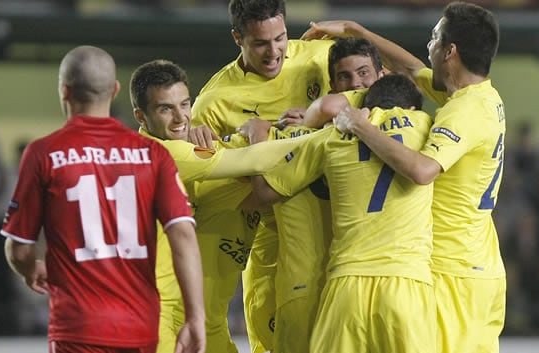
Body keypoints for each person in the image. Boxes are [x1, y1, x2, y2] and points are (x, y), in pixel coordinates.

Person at [312, 2, 507, 352]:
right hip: (479, 263)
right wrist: (359, 32)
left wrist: (359, 125)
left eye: (434, 38)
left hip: (452, 271)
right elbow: (411, 67)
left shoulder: (462, 112)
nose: (427, 46)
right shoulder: (479, 97)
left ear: (450, 52)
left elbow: (422, 170)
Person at [0, 46, 205, 353]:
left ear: (65, 91)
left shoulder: (44, 153)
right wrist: (195, 317)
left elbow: (18, 248)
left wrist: (30, 268)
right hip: (140, 328)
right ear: (115, 90)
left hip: (77, 330)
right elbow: (184, 235)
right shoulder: (153, 155)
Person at [129, 59, 315, 353]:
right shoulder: (168, 156)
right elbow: (256, 166)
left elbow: (256, 188)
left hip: (208, 322)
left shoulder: (192, 158)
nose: (181, 118)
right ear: (141, 116)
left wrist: (266, 132)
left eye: (184, 104)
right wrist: (335, 132)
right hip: (169, 323)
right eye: (165, 108)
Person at [244, 74, 435, 353]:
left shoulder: (332, 136)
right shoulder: (425, 125)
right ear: (412, 109)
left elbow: (263, 193)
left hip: (346, 286)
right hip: (406, 282)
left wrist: (258, 132)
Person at [190, 1, 334, 351]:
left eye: (280, 38)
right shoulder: (213, 102)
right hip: (267, 233)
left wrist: (357, 32)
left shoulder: (320, 56)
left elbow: (378, 87)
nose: (274, 52)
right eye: (260, 43)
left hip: (333, 223)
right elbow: (202, 175)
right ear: (237, 37)